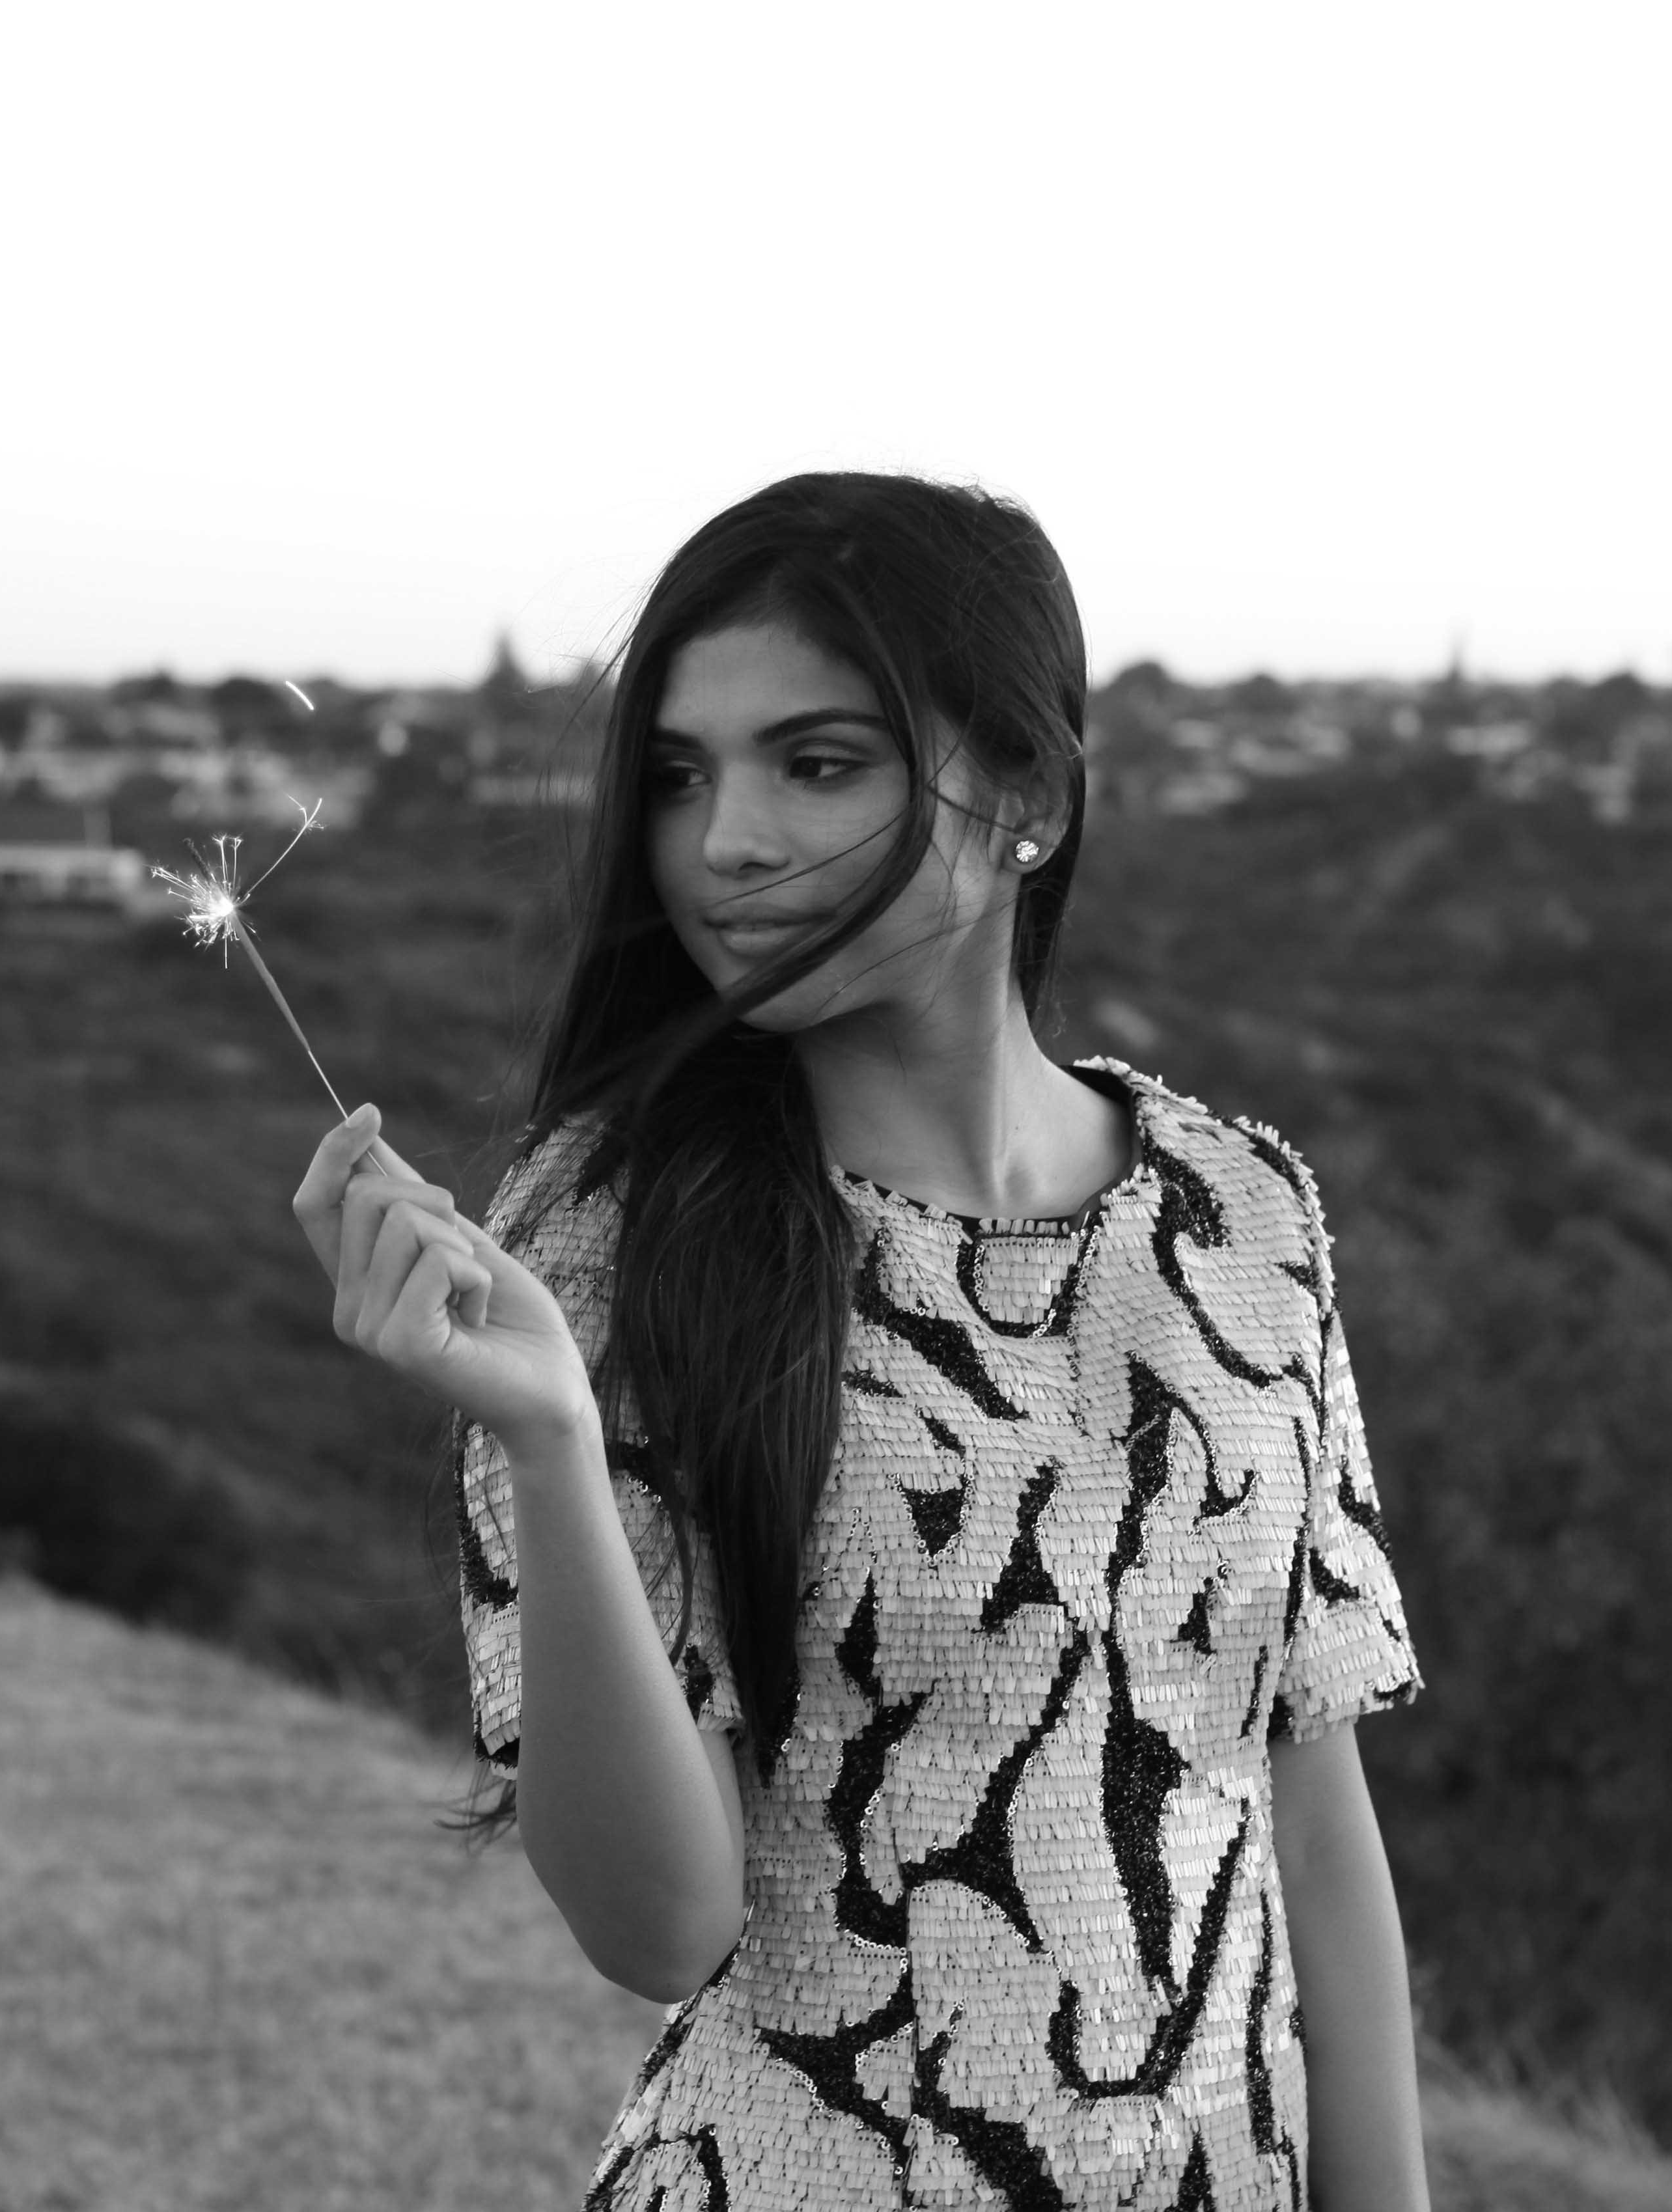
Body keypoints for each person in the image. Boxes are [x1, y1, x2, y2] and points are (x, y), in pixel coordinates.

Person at [292, 473, 1428, 2210]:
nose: (725, 844)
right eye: (681, 776)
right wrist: (551, 1447)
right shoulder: (608, 1236)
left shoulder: (1242, 1214)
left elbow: (1310, 1810)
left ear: (1028, 793)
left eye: (816, 765)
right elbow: (663, 1929)